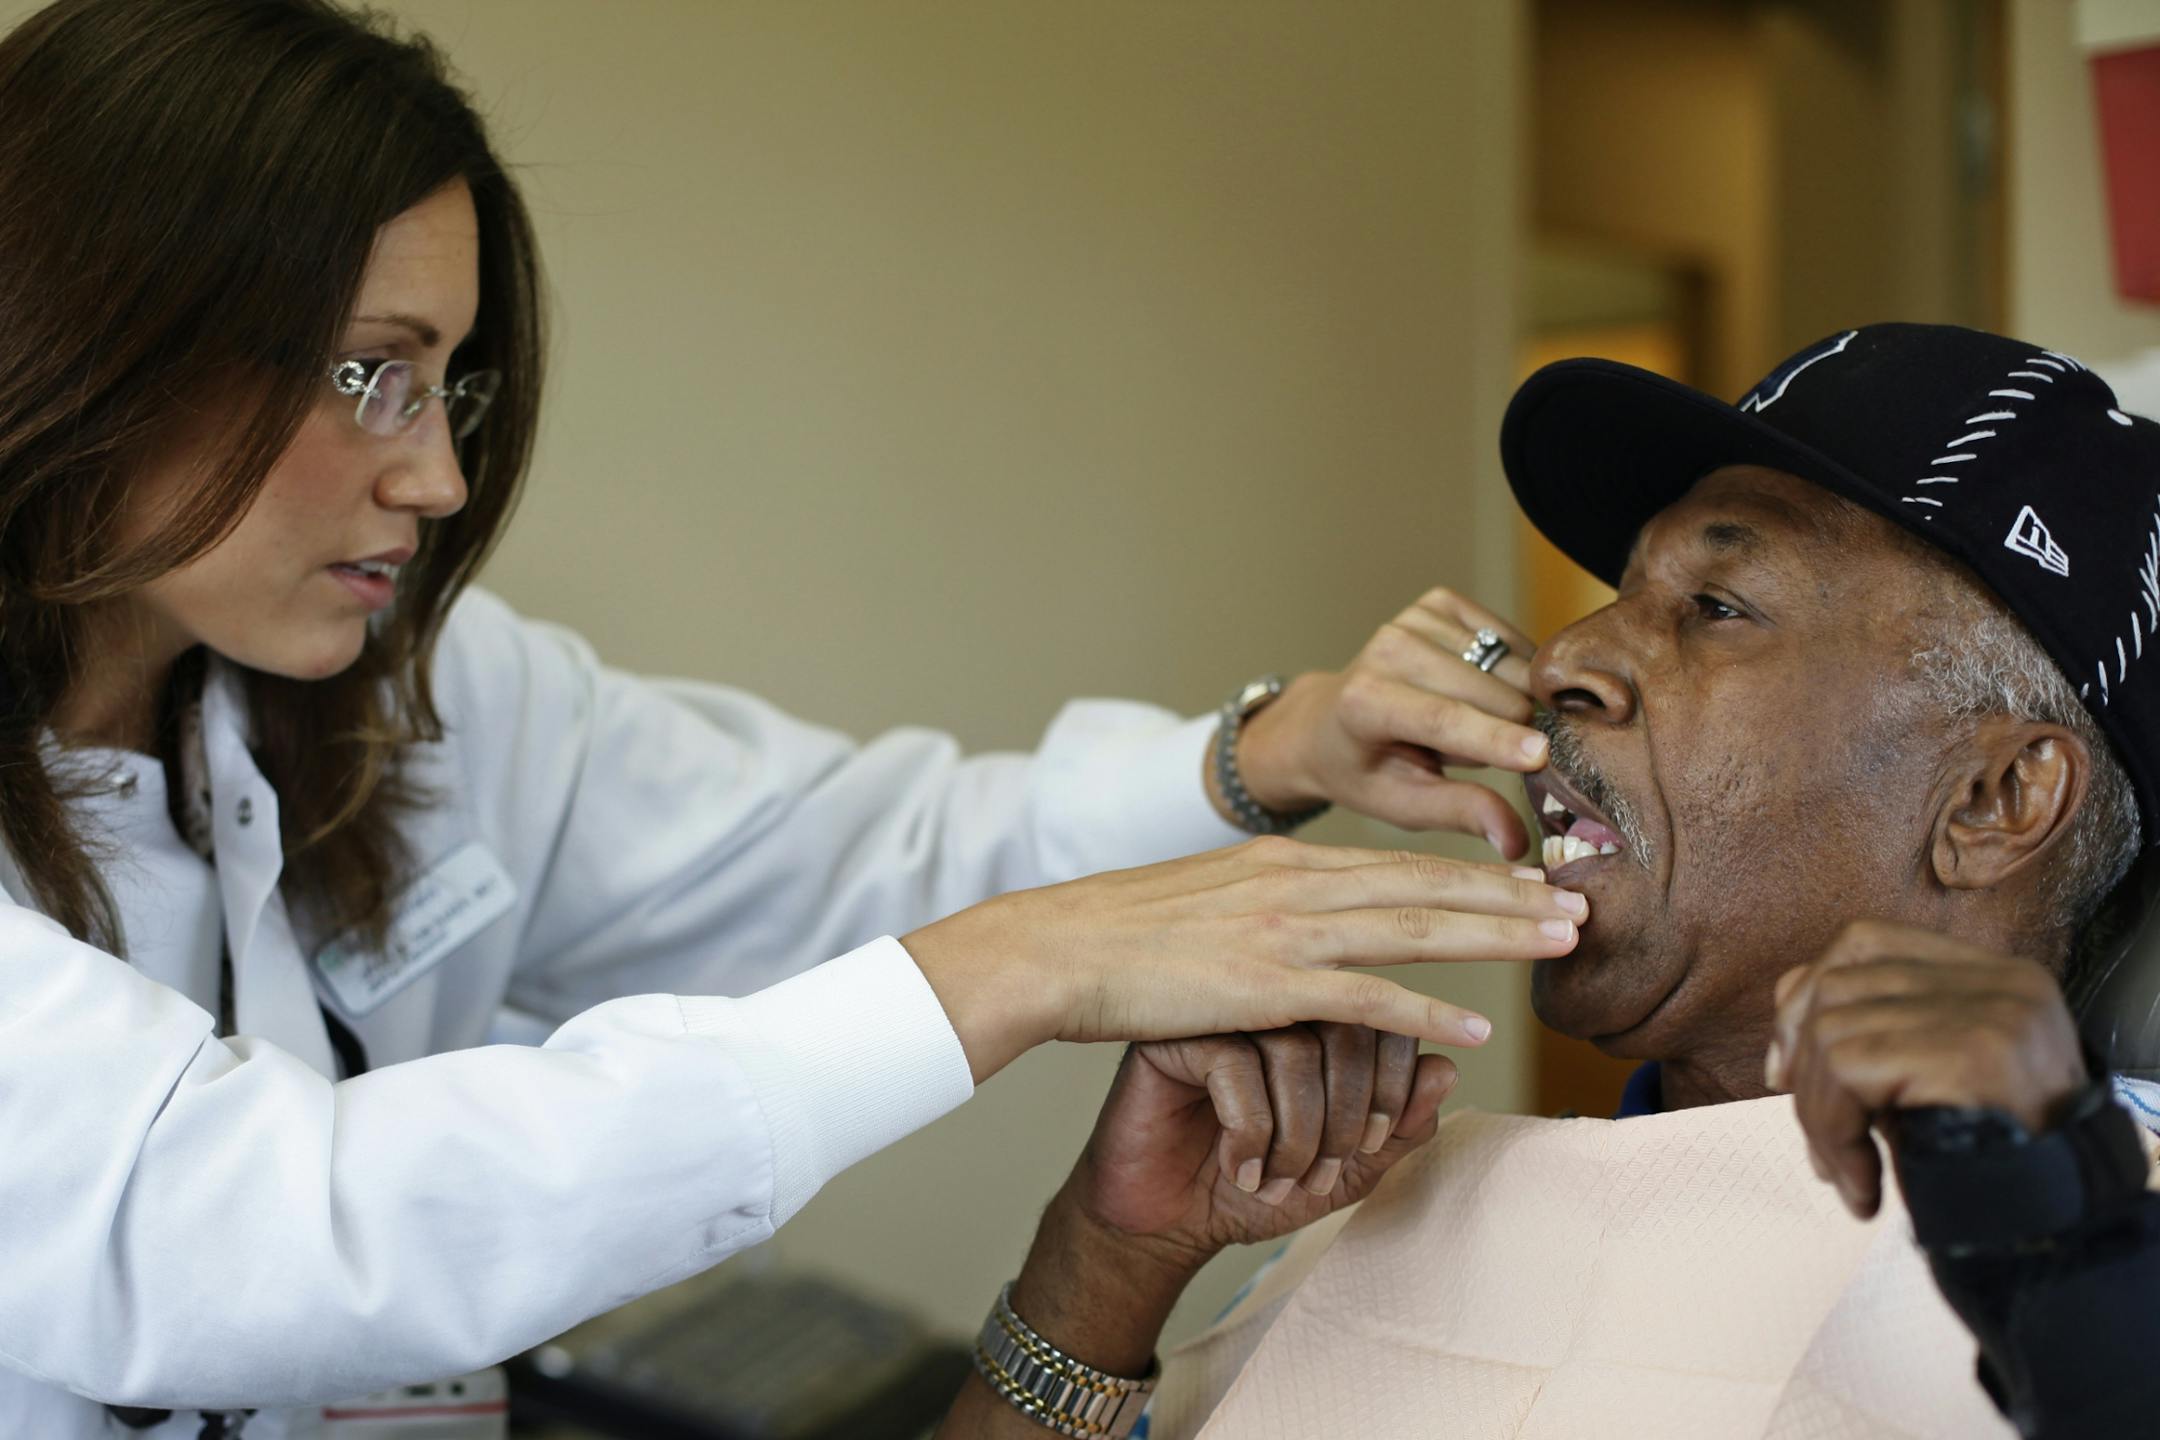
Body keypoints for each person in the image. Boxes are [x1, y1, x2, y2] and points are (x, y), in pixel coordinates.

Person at [0, 1, 1595, 1434]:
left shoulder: (417, 699)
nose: (437, 476)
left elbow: (850, 854)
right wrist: (1021, 965)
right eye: (370, 375)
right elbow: (250, 1227)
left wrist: (1268, 757)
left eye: (448, 383)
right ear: (99, 327)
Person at [936, 324, 2160, 1440]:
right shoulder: (1409, 1205)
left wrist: (2063, 1244)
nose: (1566, 657)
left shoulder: (2118, 1263)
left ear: (1995, 802)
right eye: (1619, 594)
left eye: (1718, 608)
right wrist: (1105, 1259)